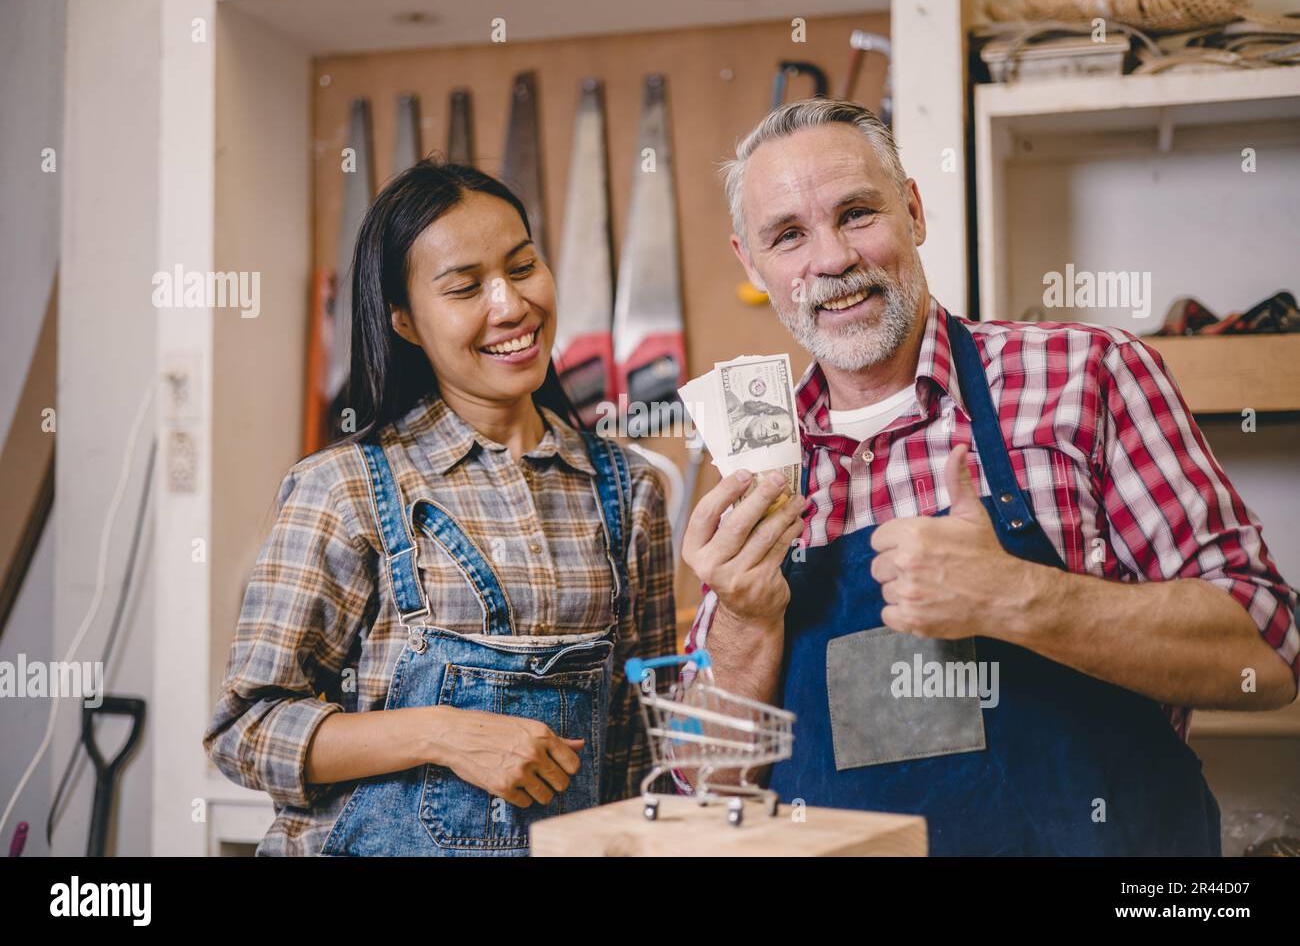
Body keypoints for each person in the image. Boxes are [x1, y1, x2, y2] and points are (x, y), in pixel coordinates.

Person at [680, 99, 1299, 855]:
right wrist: (745, 619)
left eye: (857, 213)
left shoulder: (1087, 375)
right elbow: (703, 783)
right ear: (751, 261)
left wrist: (1015, 597)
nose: (832, 258)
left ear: (913, 210)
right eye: (788, 235)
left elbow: (1265, 653)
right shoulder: (759, 461)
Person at [203, 160, 677, 856]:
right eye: (464, 287)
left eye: (523, 267)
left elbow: (646, 738)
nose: (510, 305)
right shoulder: (346, 488)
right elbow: (246, 732)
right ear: (406, 322)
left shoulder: (627, 490)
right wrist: (444, 732)